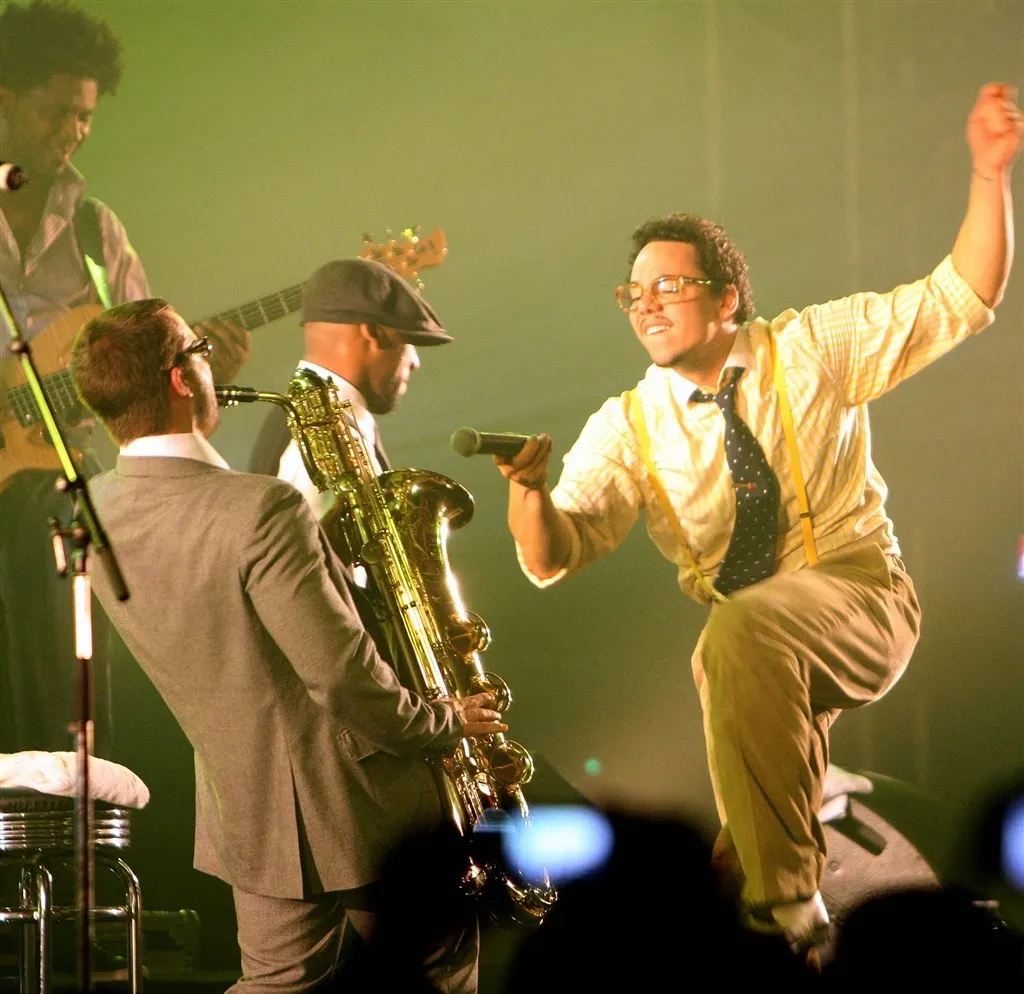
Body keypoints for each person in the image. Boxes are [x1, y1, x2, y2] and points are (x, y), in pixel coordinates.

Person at [494, 83, 1022, 954]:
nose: (648, 303)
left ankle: (787, 909)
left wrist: (989, 172)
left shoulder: (808, 349)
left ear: (729, 298)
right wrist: (527, 490)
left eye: (670, 285)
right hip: (754, 663)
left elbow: (962, 294)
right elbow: (553, 555)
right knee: (732, 859)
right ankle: (767, 925)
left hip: (861, 600)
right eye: (634, 294)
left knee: (735, 637)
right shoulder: (626, 424)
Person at [69, 297, 505, 992]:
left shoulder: (95, 509)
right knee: (439, 970)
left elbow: (224, 630)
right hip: (360, 797)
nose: (210, 363)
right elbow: (340, 675)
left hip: (246, 805)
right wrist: (441, 722)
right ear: (181, 379)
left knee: (276, 984)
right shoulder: (262, 507)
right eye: (199, 350)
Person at [0, 0, 249, 756]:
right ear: (4, 100)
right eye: (55, 112)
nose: (73, 130)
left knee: (63, 708)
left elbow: (136, 371)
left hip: (57, 503)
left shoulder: (96, 230)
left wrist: (194, 377)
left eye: (84, 116)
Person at [248, 256, 450, 508]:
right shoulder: (323, 438)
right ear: (374, 333)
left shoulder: (307, 418)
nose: (415, 362)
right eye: (408, 342)